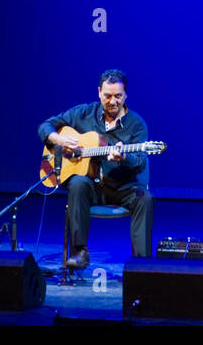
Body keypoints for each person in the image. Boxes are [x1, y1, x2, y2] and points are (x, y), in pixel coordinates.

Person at [38, 69, 154, 268]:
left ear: (125, 95)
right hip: (92, 187)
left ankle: (141, 264)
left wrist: (124, 157)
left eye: (118, 96)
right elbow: (46, 126)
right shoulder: (83, 113)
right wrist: (58, 139)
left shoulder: (136, 124)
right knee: (77, 183)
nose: (112, 101)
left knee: (146, 199)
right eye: (107, 96)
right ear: (99, 92)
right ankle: (79, 253)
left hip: (122, 188)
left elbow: (140, 161)